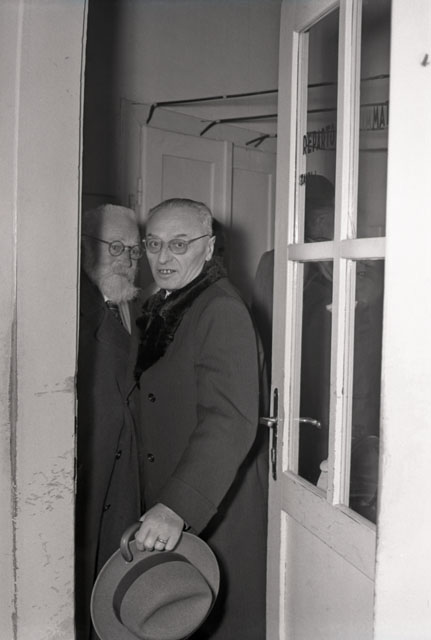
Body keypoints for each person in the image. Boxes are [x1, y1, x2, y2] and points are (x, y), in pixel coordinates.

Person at [133, 198, 267, 640]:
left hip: (209, 504)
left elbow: (229, 420)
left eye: (179, 244)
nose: (163, 257)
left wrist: (177, 506)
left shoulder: (219, 308)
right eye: (154, 244)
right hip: (173, 496)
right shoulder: (166, 302)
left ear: (208, 248)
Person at [251, 176, 383, 517]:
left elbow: (370, 348)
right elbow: (264, 336)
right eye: (321, 214)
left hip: (342, 419)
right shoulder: (279, 263)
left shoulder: (359, 263)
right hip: (297, 413)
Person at [75, 204, 143, 640]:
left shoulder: (130, 303)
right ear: (85, 248)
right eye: (115, 247)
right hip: (89, 473)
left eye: (134, 250)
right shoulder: (73, 310)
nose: (127, 259)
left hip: (122, 472)